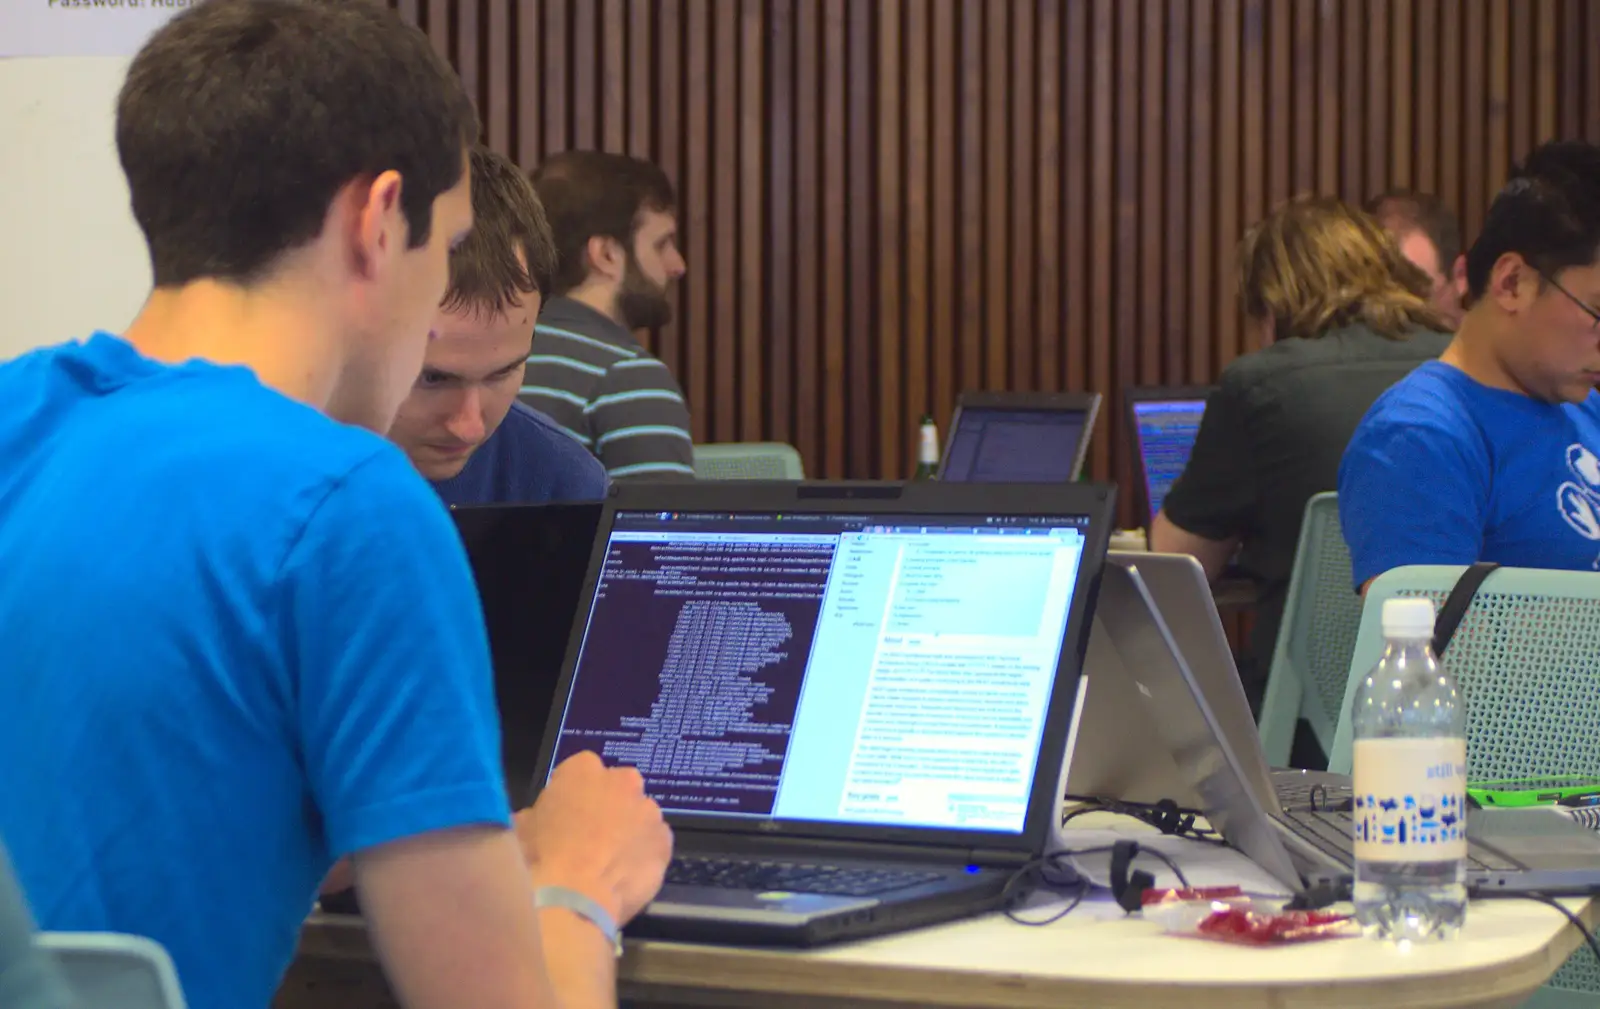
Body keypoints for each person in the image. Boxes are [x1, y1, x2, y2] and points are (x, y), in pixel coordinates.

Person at [0, 4, 670, 1009]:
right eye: (445, 244)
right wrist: (580, 884)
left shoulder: (18, 417)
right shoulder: (352, 509)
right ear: (376, 220)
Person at [1151, 197, 1450, 710]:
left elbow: (1176, 562)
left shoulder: (1261, 384)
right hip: (1454, 708)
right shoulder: (1463, 366)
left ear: (1271, 303)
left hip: (1300, 726)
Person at [1341, 140, 1600, 591]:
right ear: (1512, 283)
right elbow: (1429, 649)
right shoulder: (1420, 436)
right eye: (1598, 312)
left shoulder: (1582, 405)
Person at [389, 145, 608, 505]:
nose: (470, 426)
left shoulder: (561, 484)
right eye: (433, 378)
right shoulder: (271, 478)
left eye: (501, 374)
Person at [525, 150, 695, 481]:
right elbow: (658, 529)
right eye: (662, 244)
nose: (678, 265)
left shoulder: (493, 357)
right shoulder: (627, 376)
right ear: (605, 254)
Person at [1366, 189, 1468, 329]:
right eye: (1383, 298)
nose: (1402, 316)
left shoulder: (1496, 348)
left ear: (1460, 276)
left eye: (1419, 294)